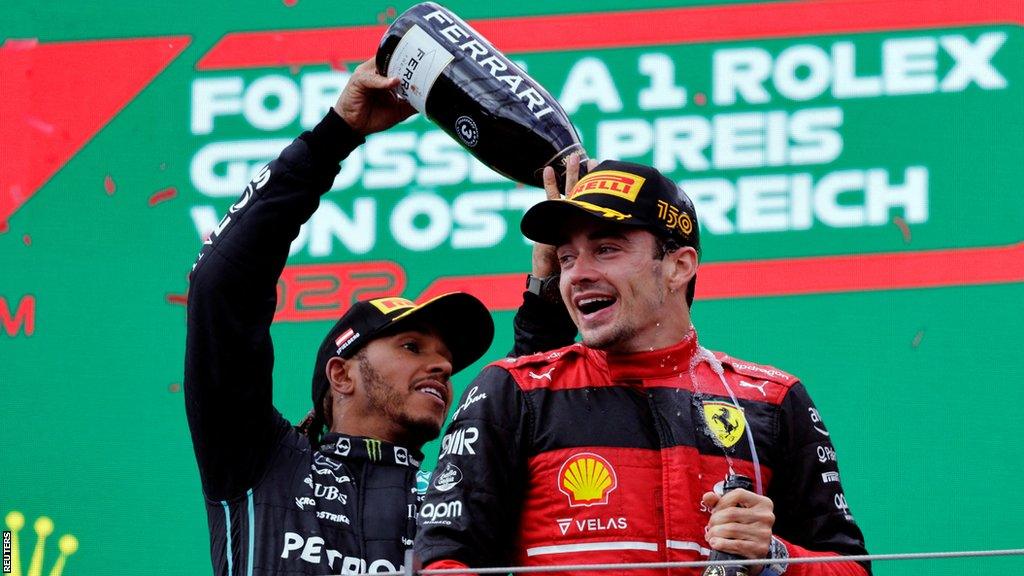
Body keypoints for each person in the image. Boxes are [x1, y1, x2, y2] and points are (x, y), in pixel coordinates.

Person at [415, 160, 871, 576]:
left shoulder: (771, 399)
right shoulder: (512, 390)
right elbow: (442, 562)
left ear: (679, 266)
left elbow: (855, 570)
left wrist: (776, 558)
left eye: (607, 249)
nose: (578, 274)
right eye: (567, 258)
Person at [183, 59, 497, 575]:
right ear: (341, 372)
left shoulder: (455, 498)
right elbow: (222, 288)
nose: (442, 368)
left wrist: (547, 292)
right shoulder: (261, 463)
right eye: (412, 346)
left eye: (447, 360)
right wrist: (334, 137)